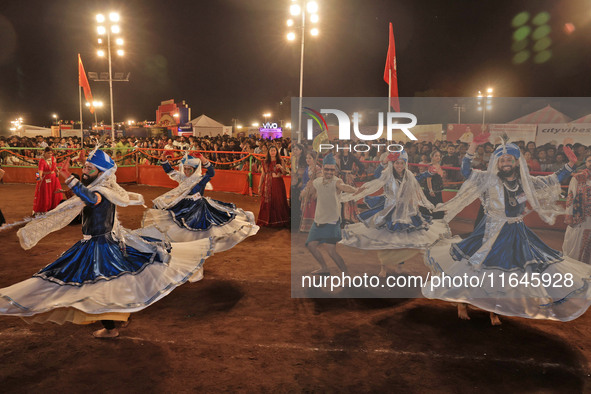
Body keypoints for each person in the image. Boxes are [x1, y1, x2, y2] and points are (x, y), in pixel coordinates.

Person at [0, 149, 213, 338]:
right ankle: (119, 315)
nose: (84, 171)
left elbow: (90, 198)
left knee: (97, 286)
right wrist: (79, 172)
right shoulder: (103, 187)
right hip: (105, 242)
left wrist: (67, 177)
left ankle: (110, 327)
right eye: (84, 167)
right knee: (113, 283)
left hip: (98, 247)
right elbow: (85, 189)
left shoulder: (100, 193)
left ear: (101, 173)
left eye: (89, 168)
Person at [422, 136, 591, 325]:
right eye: (502, 160)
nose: (505, 163)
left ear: (516, 162)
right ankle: (462, 302)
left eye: (509, 159)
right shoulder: (489, 179)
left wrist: (570, 164)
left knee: (507, 274)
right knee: (473, 269)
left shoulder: (526, 181)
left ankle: (495, 311)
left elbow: (552, 180)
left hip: (516, 232)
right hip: (489, 232)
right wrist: (473, 146)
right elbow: (466, 171)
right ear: (497, 163)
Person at [340, 151, 450, 276]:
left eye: (402, 163)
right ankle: (383, 267)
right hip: (388, 209)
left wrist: (428, 173)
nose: (399, 166)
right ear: (393, 163)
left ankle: (400, 265)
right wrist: (383, 162)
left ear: (405, 164)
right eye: (397, 163)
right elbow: (377, 174)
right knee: (384, 239)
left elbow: (417, 179)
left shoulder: (408, 175)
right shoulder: (388, 174)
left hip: (405, 210)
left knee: (401, 239)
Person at [142, 152, 258, 252]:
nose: (187, 171)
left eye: (189, 169)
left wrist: (203, 159)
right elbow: (169, 170)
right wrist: (163, 158)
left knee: (197, 229)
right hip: (182, 205)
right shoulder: (182, 177)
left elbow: (211, 173)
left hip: (197, 206)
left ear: (195, 169)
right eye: (185, 169)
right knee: (175, 223)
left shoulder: (200, 179)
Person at [306, 154, 361, 275]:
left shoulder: (337, 181)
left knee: (331, 251)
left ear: (335, 170)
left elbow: (344, 187)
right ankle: (324, 268)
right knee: (311, 245)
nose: (329, 172)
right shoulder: (317, 181)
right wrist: (308, 190)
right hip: (318, 220)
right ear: (323, 169)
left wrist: (356, 190)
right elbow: (312, 195)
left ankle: (345, 273)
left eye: (332, 169)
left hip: (331, 221)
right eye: (327, 169)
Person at [563, 155, 591, 265]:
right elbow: (570, 198)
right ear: (586, 163)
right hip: (580, 219)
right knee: (575, 245)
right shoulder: (577, 178)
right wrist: (569, 217)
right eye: (589, 161)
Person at [256, 146, 290, 227]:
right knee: (268, 201)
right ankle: (267, 220)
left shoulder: (281, 161)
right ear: (269, 152)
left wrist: (281, 167)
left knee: (278, 201)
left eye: (274, 150)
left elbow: (285, 173)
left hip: (278, 183)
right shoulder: (265, 162)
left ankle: (279, 221)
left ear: (276, 152)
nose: (273, 152)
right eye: (271, 150)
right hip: (268, 184)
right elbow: (263, 175)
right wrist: (259, 186)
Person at [33, 147, 63, 215]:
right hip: (45, 178)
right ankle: (45, 208)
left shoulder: (53, 158)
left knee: (55, 192)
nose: (50, 154)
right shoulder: (42, 160)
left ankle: (55, 207)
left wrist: (57, 171)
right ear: (44, 153)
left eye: (51, 153)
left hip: (54, 178)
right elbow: (39, 170)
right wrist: (38, 178)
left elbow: (54, 166)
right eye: (48, 153)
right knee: (46, 194)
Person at [299, 151, 322, 232]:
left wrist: (314, 190)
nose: (307, 160)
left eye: (310, 158)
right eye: (306, 158)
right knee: (306, 209)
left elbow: (320, 180)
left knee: (312, 208)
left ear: (314, 159)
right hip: (306, 190)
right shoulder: (307, 168)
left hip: (313, 191)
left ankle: (313, 228)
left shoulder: (317, 168)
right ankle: (305, 227)